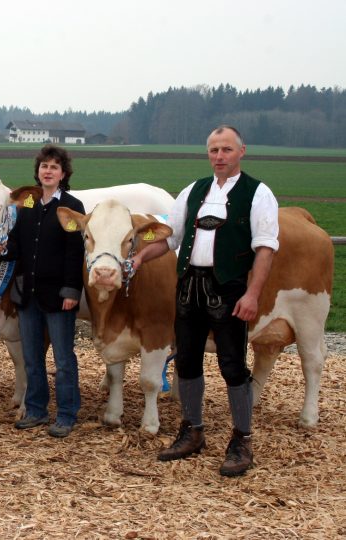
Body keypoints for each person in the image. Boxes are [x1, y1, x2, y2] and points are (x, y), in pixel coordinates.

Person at [131, 125, 279, 476]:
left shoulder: (258, 194)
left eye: (226, 149)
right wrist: (139, 258)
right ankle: (192, 431)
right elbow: (170, 239)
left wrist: (252, 294)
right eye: (214, 150)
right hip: (188, 287)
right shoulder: (193, 191)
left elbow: (265, 248)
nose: (219, 156)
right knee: (187, 361)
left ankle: (242, 440)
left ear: (242, 151)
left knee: (232, 366)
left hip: (228, 289)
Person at [0, 144, 85, 438]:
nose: (48, 171)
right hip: (28, 294)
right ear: (38, 171)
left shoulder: (71, 206)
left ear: (63, 174)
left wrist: (71, 291)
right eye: (44, 166)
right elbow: (17, 244)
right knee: (32, 356)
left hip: (59, 296)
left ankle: (67, 414)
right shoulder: (29, 204)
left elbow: (75, 252)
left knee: (63, 359)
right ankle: (36, 409)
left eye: (54, 167)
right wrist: (1, 250)